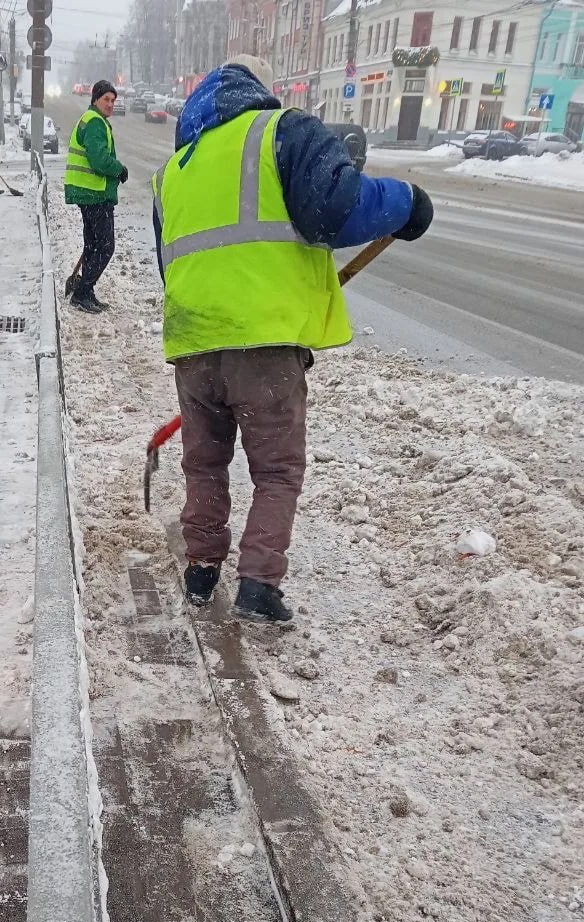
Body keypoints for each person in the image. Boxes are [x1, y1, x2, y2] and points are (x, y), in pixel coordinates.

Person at [151, 56, 433, 623]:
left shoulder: (173, 172)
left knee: (204, 464)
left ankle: (201, 570)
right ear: (258, 92)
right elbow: (337, 207)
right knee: (276, 470)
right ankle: (257, 586)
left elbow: (170, 265)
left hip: (192, 343)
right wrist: (406, 203)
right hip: (265, 344)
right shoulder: (282, 131)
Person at [63, 80, 128, 314]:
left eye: (113, 100)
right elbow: (99, 160)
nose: (110, 104)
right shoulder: (95, 123)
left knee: (92, 245)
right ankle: (82, 293)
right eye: (106, 99)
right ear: (95, 100)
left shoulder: (91, 119)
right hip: (93, 194)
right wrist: (119, 169)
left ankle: (86, 292)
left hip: (88, 193)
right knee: (106, 246)